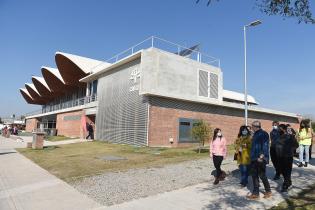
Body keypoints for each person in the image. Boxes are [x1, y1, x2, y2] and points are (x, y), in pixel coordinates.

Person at [247, 121, 272, 200]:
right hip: (254, 158)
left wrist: (261, 157)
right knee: (254, 176)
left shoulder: (263, 134)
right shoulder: (255, 134)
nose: (252, 129)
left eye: (252, 127)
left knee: (262, 175)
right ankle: (255, 193)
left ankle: (268, 191)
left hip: (260, 158)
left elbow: (265, 146)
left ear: (255, 126)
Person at [276, 124, 299, 192]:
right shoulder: (279, 136)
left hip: (288, 156)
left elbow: (296, 145)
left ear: (283, 129)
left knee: (287, 171)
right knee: (282, 171)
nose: (278, 130)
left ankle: (285, 185)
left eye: (279, 129)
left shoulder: (290, 136)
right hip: (280, 156)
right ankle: (288, 181)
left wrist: (290, 149)